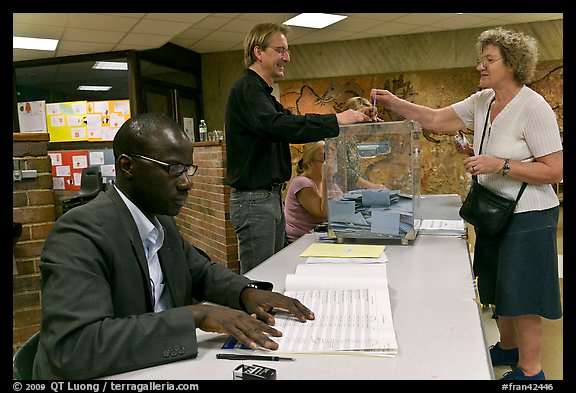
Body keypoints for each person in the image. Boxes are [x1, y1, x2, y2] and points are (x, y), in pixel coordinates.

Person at [33, 113, 315, 380]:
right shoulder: (79, 234)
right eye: (173, 169)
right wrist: (197, 315)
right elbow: (75, 348)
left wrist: (245, 292)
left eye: (187, 169)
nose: (186, 183)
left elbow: (201, 272)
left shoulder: (160, 222)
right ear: (127, 166)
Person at [371, 27, 562, 380]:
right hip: (495, 212)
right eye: (482, 59)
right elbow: (432, 118)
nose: (481, 66)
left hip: (529, 214)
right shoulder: (483, 101)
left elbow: (555, 170)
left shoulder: (533, 107)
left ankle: (532, 372)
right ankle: (507, 346)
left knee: (523, 293)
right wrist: (392, 102)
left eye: (489, 60)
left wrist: (498, 164)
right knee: (499, 283)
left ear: (513, 63)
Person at [225, 22, 372, 274]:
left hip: (267, 198)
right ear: (258, 52)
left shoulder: (265, 96)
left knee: (273, 273)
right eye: (280, 50)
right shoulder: (247, 89)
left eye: (287, 50)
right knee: (259, 279)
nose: (287, 57)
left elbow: (295, 123)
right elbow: (281, 126)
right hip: (254, 200)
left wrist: (351, 118)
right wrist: (337, 120)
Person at [284, 141, 330, 243]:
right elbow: (324, 213)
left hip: (318, 236)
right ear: (310, 163)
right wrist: (327, 179)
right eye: (325, 159)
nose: (330, 163)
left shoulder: (322, 181)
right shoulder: (302, 183)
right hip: (299, 242)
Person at [338, 96, 387, 190]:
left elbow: (355, 171)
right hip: (342, 192)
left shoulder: (353, 138)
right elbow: (346, 171)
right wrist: (373, 186)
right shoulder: (339, 138)